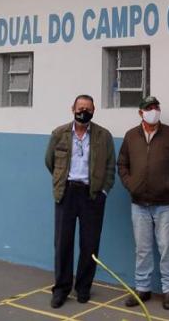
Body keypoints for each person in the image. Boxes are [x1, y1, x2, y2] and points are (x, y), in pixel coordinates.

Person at [118, 95, 169, 310]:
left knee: (167, 247)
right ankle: (143, 288)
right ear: (141, 112)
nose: (154, 111)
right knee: (142, 249)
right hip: (138, 204)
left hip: (165, 204)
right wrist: (131, 184)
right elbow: (122, 163)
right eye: (149, 108)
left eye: (156, 107)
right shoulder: (131, 136)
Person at [44, 94, 115, 308]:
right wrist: (60, 183)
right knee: (63, 243)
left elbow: (111, 166)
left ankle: (83, 287)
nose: (83, 111)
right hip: (66, 194)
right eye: (80, 107)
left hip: (91, 195)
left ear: (94, 111)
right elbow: (50, 162)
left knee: (89, 245)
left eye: (88, 108)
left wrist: (103, 191)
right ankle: (61, 289)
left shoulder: (104, 136)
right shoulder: (59, 134)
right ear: (72, 109)